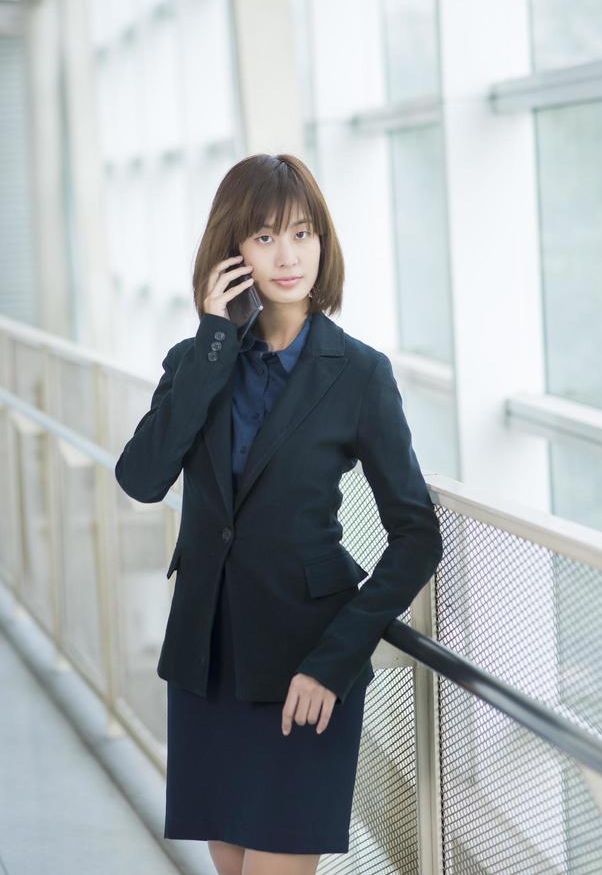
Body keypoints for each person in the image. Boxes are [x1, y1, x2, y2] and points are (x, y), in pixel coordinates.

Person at [114, 153, 443, 875]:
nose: (287, 255)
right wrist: (212, 340)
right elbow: (140, 478)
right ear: (232, 252)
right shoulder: (200, 357)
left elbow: (417, 535)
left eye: (301, 233)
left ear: (323, 242)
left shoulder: (358, 373)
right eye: (264, 237)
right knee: (230, 865)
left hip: (306, 667)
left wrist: (335, 661)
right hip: (209, 658)